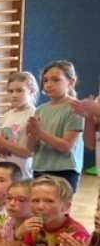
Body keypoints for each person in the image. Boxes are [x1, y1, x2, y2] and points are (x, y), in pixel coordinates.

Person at [27, 61, 84, 192]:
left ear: (71, 82)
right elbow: (31, 149)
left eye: (56, 80)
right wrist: (31, 134)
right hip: (40, 168)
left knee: (59, 205)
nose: (49, 84)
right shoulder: (40, 110)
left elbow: (66, 146)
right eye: (46, 80)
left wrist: (40, 133)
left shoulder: (75, 108)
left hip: (64, 170)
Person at [0, 71, 38, 178]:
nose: (14, 95)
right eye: (10, 91)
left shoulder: (34, 115)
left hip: (22, 173)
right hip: (5, 170)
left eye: (19, 90)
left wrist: (1, 141)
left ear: (32, 91)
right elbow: (4, 148)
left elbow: (28, 152)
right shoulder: (8, 115)